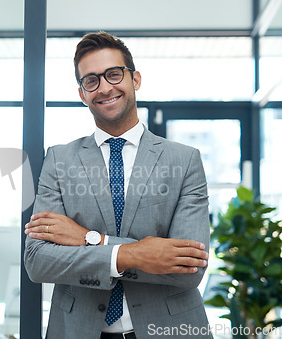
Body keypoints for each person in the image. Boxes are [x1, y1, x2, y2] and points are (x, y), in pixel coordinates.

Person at [24, 31, 212, 339]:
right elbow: (38, 261)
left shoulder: (184, 160)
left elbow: (189, 268)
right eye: (91, 80)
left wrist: (91, 239)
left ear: (135, 79)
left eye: (113, 74)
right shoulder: (59, 160)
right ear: (82, 93)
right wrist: (139, 253)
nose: (105, 88)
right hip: (77, 330)